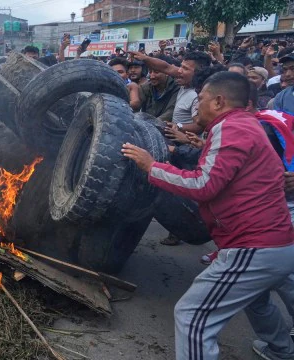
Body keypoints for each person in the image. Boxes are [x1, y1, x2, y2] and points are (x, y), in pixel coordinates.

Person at [122, 71, 294, 360]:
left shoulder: (231, 128)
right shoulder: (244, 126)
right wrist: (202, 147)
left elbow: (203, 185)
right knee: (256, 300)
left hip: (254, 246)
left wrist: (151, 166)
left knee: (192, 316)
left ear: (218, 101)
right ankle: (280, 349)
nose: (196, 105)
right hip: (276, 243)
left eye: (200, 99)